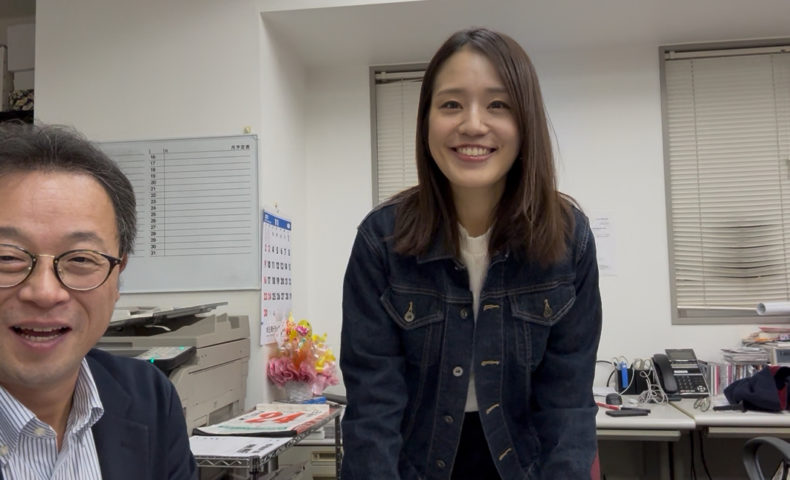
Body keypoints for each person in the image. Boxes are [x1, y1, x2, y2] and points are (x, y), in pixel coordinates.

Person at [340, 27, 602, 479]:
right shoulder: (380, 240)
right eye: (451, 105)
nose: (473, 124)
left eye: (498, 104)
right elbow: (373, 409)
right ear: (426, 121)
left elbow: (567, 405)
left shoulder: (568, 238)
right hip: (413, 465)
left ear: (526, 121)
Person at [0, 123, 197, 479]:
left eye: (80, 258)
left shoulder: (150, 399)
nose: (44, 293)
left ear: (117, 275)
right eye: (7, 257)